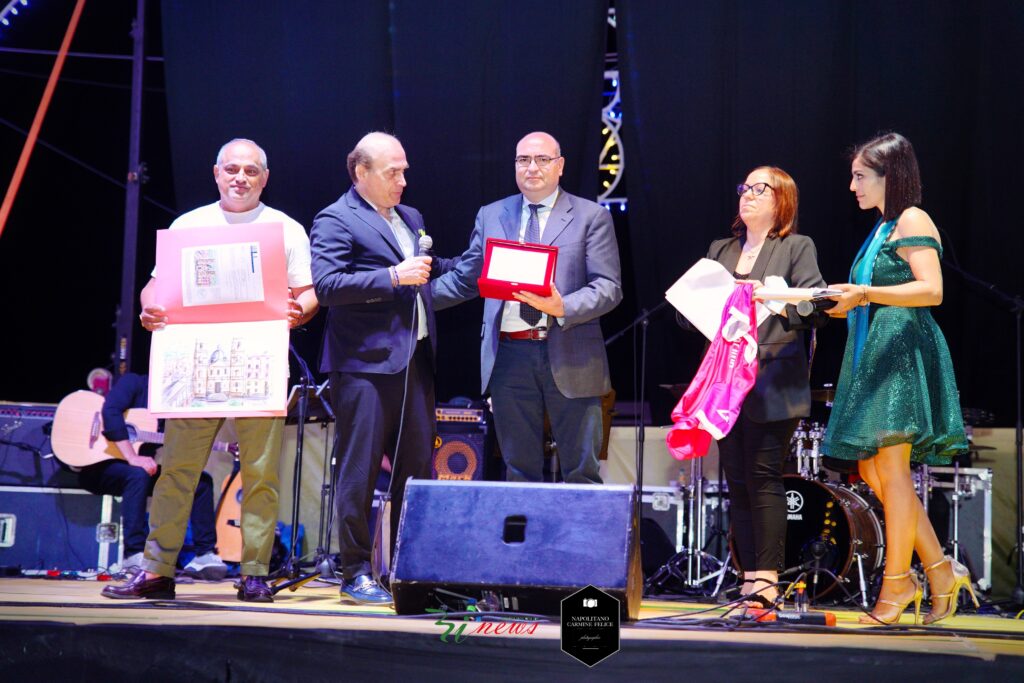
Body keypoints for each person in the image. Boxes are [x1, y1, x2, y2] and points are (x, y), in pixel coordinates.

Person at [102, 138, 318, 602]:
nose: (241, 177)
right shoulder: (190, 224)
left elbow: (308, 290)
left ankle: (255, 571)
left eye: (251, 170)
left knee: (260, 474)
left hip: (257, 365)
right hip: (195, 367)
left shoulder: (286, 229)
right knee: (178, 469)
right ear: (216, 173)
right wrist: (149, 310)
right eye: (232, 169)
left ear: (265, 178)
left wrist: (299, 310)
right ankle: (158, 571)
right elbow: (155, 288)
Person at [823, 132, 974, 625]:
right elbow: (877, 291)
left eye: (860, 176)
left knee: (890, 471)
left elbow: (932, 289)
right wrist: (843, 301)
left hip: (901, 353)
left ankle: (896, 585)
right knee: (872, 471)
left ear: (891, 176)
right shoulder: (881, 227)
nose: (852, 186)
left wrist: (863, 294)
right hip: (875, 348)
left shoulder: (912, 219)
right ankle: (938, 570)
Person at [311, 132, 453, 606]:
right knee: (360, 468)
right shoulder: (336, 218)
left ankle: (407, 572)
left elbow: (431, 270)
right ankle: (354, 571)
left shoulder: (409, 218)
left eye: (404, 170)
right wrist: (393, 277)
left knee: (414, 472)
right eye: (393, 172)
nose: (403, 180)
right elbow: (328, 285)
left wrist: (486, 264)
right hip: (364, 367)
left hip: (414, 362)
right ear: (362, 173)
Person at [432, 131, 622, 484]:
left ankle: (576, 541)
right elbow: (467, 278)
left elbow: (609, 288)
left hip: (572, 354)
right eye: (523, 160)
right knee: (518, 472)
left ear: (560, 165)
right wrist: (416, 301)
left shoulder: (590, 216)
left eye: (542, 159)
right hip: (508, 357)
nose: (532, 167)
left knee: (582, 473)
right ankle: (527, 539)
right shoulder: (491, 215)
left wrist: (562, 305)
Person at [687, 167, 826, 608]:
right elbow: (688, 308)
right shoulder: (720, 249)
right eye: (743, 187)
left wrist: (769, 296)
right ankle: (748, 578)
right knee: (737, 481)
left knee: (763, 478)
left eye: (758, 188)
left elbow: (816, 305)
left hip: (772, 380)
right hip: (725, 384)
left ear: (781, 199)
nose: (747, 194)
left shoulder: (795, 247)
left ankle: (767, 578)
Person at [79, 372, 226, 579]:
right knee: (138, 474)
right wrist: (131, 456)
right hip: (98, 467)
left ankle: (204, 554)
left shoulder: (173, 404)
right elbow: (110, 412)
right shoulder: (135, 382)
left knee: (202, 482)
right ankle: (134, 554)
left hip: (138, 473)